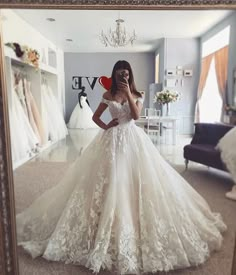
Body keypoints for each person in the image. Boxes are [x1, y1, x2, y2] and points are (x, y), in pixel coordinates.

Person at [16, 60, 227, 275]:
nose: (122, 77)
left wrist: (127, 94)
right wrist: (106, 125)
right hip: (111, 140)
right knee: (105, 180)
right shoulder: (107, 95)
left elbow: (135, 116)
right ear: (114, 74)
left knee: (137, 180)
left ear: (130, 75)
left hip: (133, 139)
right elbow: (95, 116)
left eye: (125, 73)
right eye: (119, 74)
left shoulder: (137, 94)